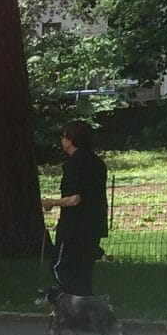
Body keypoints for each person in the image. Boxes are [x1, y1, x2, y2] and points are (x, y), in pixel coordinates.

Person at [42, 117, 109, 298]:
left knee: (60, 265)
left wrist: (52, 202)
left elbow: (74, 199)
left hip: (74, 227)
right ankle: (88, 309)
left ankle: (70, 301)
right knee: (84, 271)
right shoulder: (97, 162)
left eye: (63, 136)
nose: (62, 141)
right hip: (94, 225)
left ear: (70, 139)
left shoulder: (73, 163)